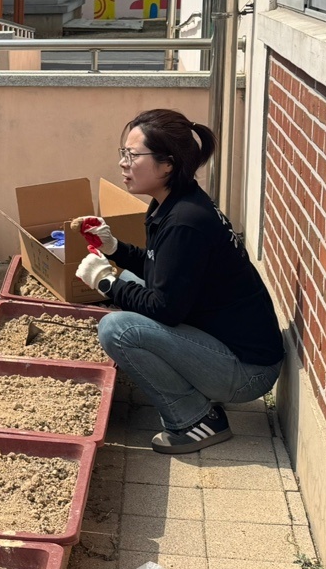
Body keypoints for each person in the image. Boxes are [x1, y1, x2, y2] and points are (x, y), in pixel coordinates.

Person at [76, 108, 285, 454]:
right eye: (123, 154)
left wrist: (108, 285)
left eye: (133, 155)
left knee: (117, 329)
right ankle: (198, 398)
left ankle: (194, 419)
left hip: (249, 371)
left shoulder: (185, 221)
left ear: (168, 164)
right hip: (227, 348)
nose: (124, 164)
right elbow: (165, 272)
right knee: (130, 291)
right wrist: (116, 250)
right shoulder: (174, 205)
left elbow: (165, 308)